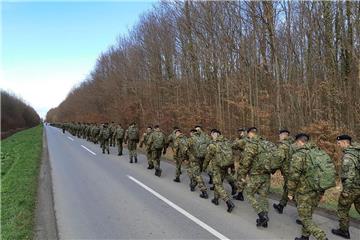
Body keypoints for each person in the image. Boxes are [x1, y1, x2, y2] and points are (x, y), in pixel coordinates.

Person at [288, 133, 327, 240]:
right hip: (318, 190)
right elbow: (326, 173)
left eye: (296, 143)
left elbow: (293, 176)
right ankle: (305, 237)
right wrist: (322, 191)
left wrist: (290, 192)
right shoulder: (320, 152)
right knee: (308, 215)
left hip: (304, 191)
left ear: (299, 142)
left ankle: (322, 237)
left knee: (305, 218)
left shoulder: (299, 155)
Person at [239, 127, 271, 228]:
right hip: (266, 174)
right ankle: (265, 220)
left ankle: (261, 215)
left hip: (256, 175)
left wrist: (242, 175)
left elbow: (246, 162)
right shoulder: (266, 143)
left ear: (249, 133)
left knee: (249, 193)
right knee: (263, 196)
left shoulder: (251, 144)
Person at [332, 134, 360, 239]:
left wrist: (345, 191)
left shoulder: (348, 157)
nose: (338, 146)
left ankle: (344, 231)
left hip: (352, 188)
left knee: (342, 208)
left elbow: (349, 176)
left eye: (339, 143)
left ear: (345, 142)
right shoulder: (357, 152)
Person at [203, 129, 235, 213]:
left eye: (211, 134)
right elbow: (231, 155)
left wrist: (204, 167)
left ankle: (228, 202)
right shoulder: (227, 142)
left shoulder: (212, 145)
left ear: (214, 134)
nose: (211, 136)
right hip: (225, 166)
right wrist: (232, 167)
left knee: (217, 185)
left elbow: (207, 158)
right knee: (218, 181)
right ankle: (216, 199)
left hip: (217, 167)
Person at [272, 129, 295, 214]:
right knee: (287, 188)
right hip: (296, 171)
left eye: (280, 135)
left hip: (288, 171)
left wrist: (272, 169)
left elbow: (278, 160)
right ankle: (281, 205)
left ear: (283, 135)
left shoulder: (283, 145)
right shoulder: (294, 144)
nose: (279, 136)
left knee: (293, 191)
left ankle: (305, 217)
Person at [186, 126, 210, 198]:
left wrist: (185, 157)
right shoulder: (203, 138)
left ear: (192, 133)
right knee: (196, 173)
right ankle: (193, 185)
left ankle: (204, 191)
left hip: (194, 159)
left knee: (196, 175)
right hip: (202, 159)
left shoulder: (191, 139)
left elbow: (185, 149)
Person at [232, 128, 248, 201]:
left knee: (240, 177)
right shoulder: (252, 140)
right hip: (251, 162)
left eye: (241, 132)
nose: (240, 133)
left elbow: (234, 145)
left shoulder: (243, 140)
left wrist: (238, 139)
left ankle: (240, 195)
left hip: (244, 162)